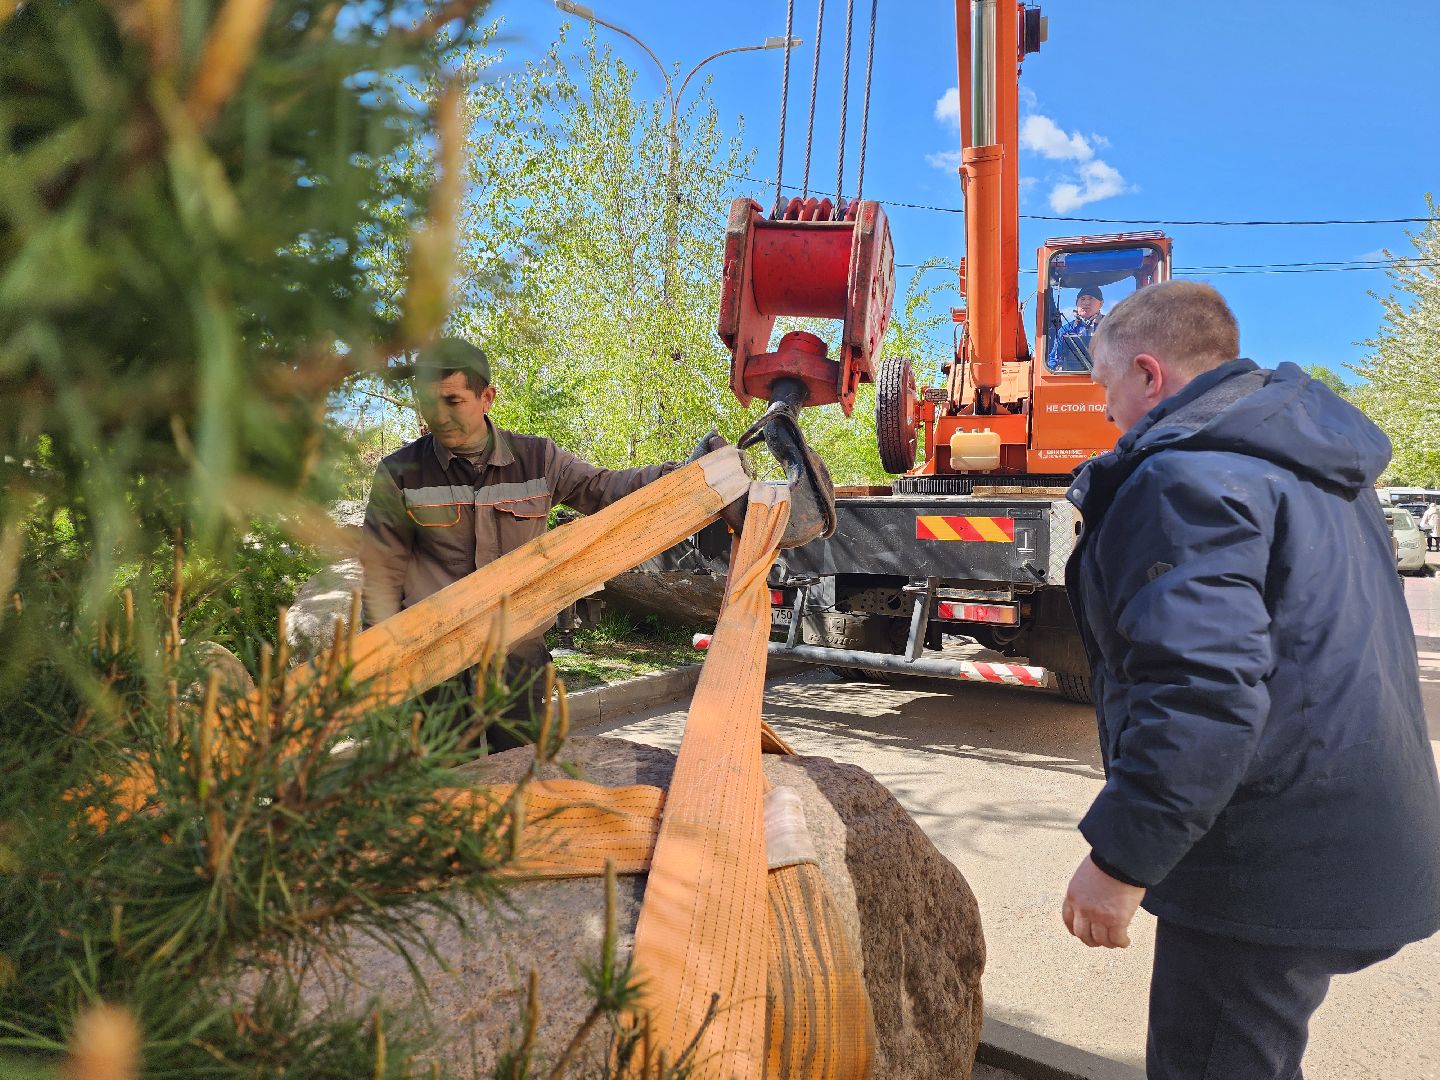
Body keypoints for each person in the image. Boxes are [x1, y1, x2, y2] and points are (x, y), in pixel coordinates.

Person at [1059, 280, 1440, 1079]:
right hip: (1360, 835)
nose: (1105, 411)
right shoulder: (1325, 473)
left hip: (1267, 862)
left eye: (1105, 386)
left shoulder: (1186, 480)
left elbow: (1202, 690)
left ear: (1150, 375)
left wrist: (1120, 861)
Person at [360, 338, 718, 749]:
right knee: (448, 796)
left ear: (486, 397)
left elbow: (607, 488)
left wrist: (687, 476)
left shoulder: (538, 460)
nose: (438, 416)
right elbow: (380, 574)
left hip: (517, 664)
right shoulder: (400, 473)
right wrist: (379, 668)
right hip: (436, 670)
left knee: (521, 787)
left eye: (453, 401)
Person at [1047, 285, 1105, 372]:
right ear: (1076, 302)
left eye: (1091, 298)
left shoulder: (1112, 328)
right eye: (1082, 299)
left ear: (1101, 303)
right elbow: (1054, 360)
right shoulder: (1065, 331)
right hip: (1073, 380)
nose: (1086, 302)